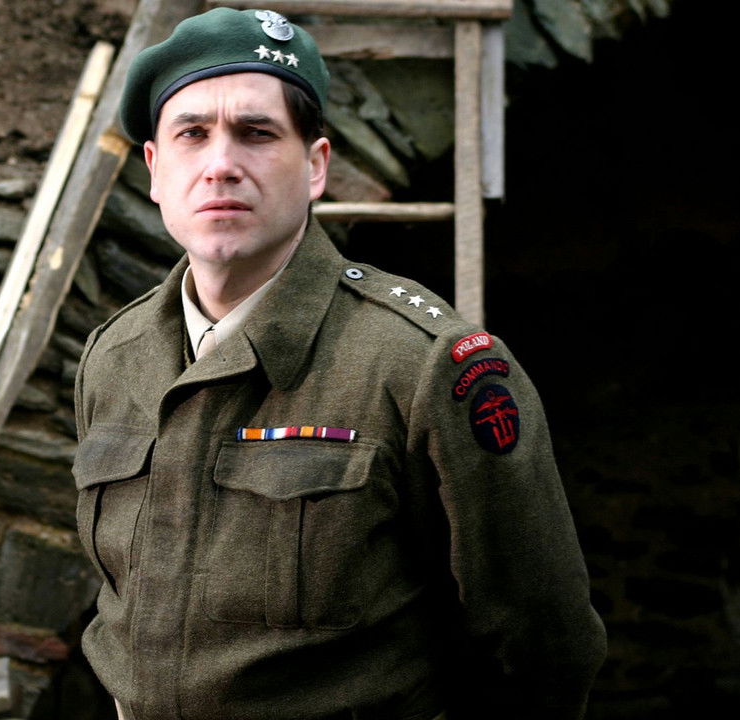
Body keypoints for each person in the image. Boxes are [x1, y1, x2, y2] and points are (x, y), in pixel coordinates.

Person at [72, 8, 606, 719]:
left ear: (316, 165)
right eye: (191, 134)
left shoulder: (422, 365)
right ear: (154, 171)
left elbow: (541, 647)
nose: (221, 164)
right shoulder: (114, 357)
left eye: (257, 133)